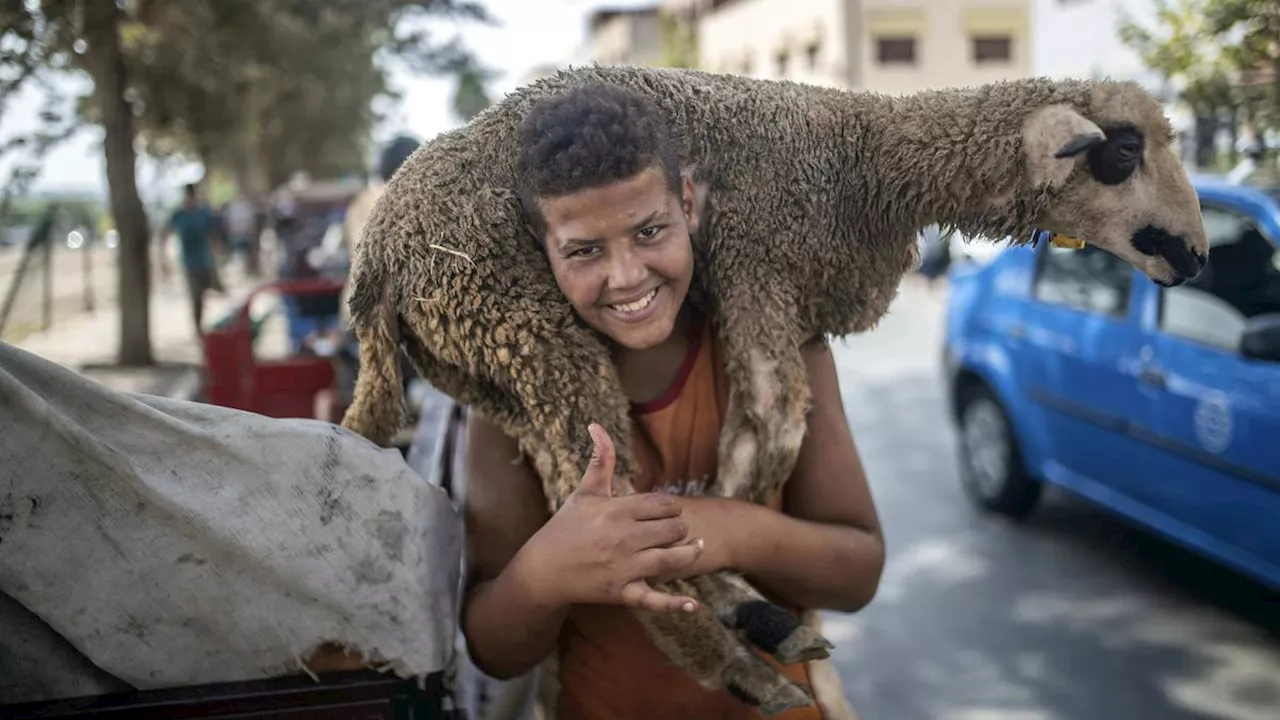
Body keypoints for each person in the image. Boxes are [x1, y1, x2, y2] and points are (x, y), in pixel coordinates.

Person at [460, 83, 885, 719]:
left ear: (686, 203)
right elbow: (495, 650)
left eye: (649, 230)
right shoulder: (513, 393)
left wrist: (724, 530)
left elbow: (859, 572)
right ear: (539, 243)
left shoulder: (777, 344)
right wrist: (549, 569)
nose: (627, 276)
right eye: (585, 250)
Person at [167, 183, 221, 337]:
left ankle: (201, 321)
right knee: (195, 294)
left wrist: (217, 252)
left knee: (203, 294)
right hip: (188, 262)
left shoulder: (203, 213)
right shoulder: (179, 215)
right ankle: (197, 328)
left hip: (204, 260)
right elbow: (166, 232)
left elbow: (213, 234)